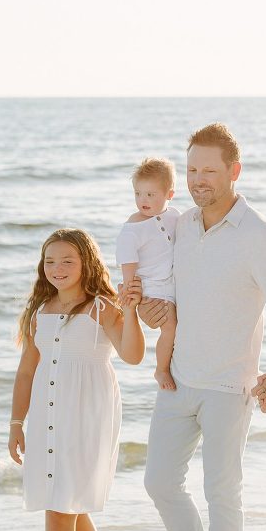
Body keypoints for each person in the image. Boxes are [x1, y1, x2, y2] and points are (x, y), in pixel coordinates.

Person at [138, 123, 266, 531]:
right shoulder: (180, 225)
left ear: (234, 171)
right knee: (160, 481)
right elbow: (168, 294)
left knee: (221, 492)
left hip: (231, 387)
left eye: (209, 170)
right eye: (191, 170)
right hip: (178, 379)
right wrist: (151, 312)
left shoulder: (258, 234)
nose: (198, 180)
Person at [8, 228, 144, 531]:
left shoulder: (103, 309)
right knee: (68, 503)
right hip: (46, 419)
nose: (57, 268)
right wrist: (16, 422)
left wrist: (131, 311)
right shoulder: (40, 311)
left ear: (86, 262)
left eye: (67, 260)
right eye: (50, 261)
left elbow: (133, 356)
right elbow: (27, 370)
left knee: (60, 511)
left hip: (87, 416)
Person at [116, 156, 179, 391]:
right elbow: (128, 262)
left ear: (169, 195)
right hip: (151, 287)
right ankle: (161, 369)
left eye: (150, 194)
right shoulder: (132, 229)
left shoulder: (174, 216)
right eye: (138, 193)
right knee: (169, 326)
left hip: (172, 282)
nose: (143, 200)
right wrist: (132, 293)